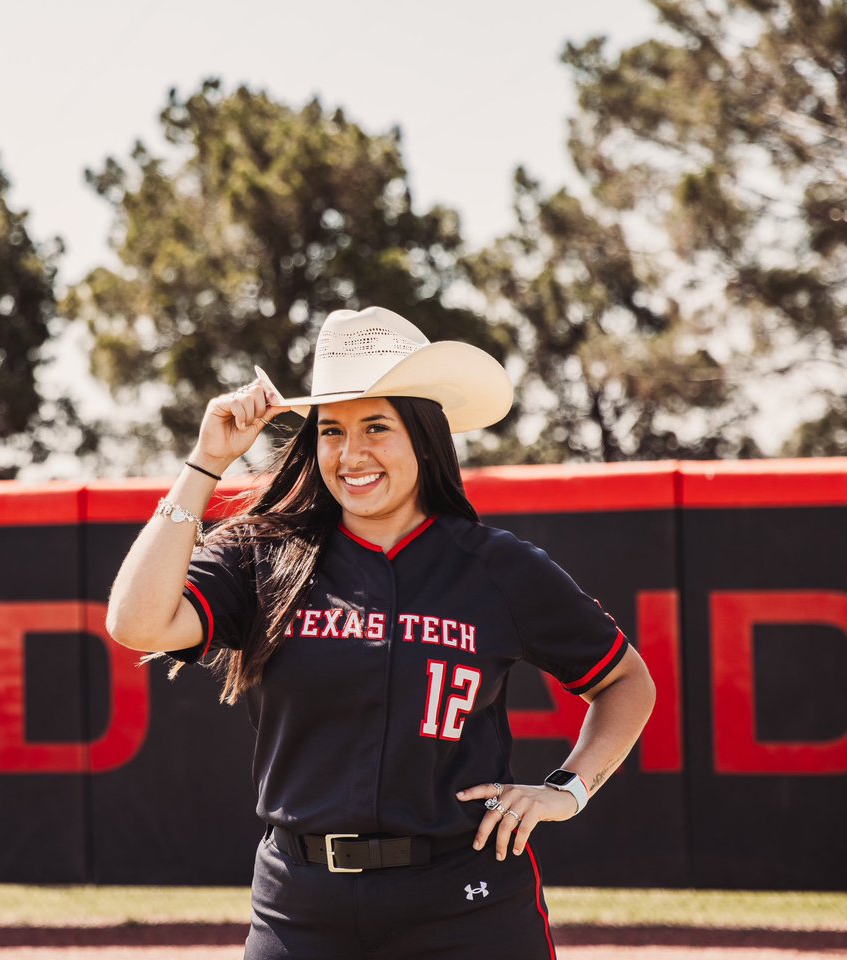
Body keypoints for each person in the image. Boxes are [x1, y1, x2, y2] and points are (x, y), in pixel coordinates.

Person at [106, 306, 656, 960]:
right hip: (302, 906)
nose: (352, 453)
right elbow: (134, 622)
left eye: (376, 427)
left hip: (465, 898)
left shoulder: (498, 567)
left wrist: (569, 788)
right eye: (332, 430)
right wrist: (204, 464)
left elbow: (626, 680)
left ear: (424, 437)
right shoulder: (261, 554)